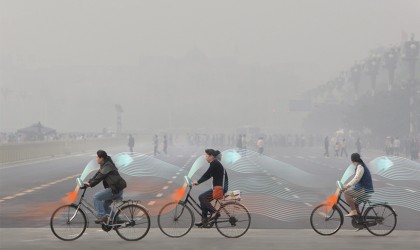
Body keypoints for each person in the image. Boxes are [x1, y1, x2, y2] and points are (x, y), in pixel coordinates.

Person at [84, 150, 127, 223]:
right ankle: (117, 220)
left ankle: (102, 216)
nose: (96, 159)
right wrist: (89, 182)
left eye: (97, 157)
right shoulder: (104, 165)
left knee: (96, 197)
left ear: (101, 158)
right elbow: (97, 175)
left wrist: (90, 184)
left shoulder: (107, 166)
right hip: (115, 189)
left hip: (115, 190)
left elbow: (100, 177)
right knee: (104, 206)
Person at [192, 149, 229, 227]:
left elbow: (207, 174)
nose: (205, 157)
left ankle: (215, 213)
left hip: (220, 188)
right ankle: (204, 220)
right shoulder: (215, 163)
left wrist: (197, 182)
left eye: (206, 156)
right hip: (218, 187)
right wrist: (198, 182)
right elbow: (208, 175)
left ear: (211, 156)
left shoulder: (215, 163)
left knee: (202, 197)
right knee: (203, 198)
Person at [342, 153, 374, 217]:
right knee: (355, 204)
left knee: (347, 193)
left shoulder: (360, 166)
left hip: (365, 190)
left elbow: (356, 178)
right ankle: (359, 219)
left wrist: (347, 186)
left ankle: (353, 211)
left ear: (352, 160)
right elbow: (356, 179)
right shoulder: (360, 165)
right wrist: (347, 185)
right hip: (364, 189)